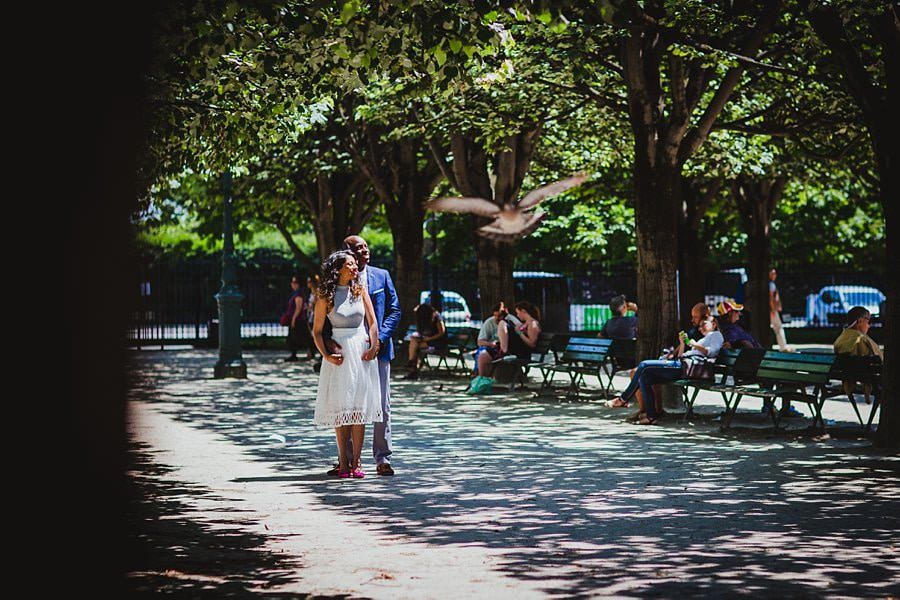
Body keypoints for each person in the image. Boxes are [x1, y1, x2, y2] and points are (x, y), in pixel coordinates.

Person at [329, 235, 401, 476]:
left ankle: (382, 458)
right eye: (358, 248)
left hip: (377, 352)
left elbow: (394, 310)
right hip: (348, 352)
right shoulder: (336, 283)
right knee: (348, 404)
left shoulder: (381, 276)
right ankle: (347, 460)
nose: (365, 251)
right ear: (347, 252)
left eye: (366, 247)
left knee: (381, 405)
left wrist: (378, 340)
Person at [312, 251, 382, 479]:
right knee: (342, 409)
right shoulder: (326, 295)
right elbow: (317, 331)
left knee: (359, 409)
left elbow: (372, 323)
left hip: (361, 353)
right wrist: (327, 355)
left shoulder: (360, 290)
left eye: (354, 264)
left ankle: (358, 462)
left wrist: (373, 346)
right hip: (340, 354)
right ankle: (343, 461)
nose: (354, 268)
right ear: (338, 269)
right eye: (350, 264)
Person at [610, 316, 724, 425]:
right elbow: (680, 356)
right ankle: (651, 416)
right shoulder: (704, 339)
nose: (700, 328)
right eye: (699, 326)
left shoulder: (716, 335)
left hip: (686, 367)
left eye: (704, 324)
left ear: (713, 324)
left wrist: (694, 344)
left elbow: (711, 352)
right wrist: (683, 343)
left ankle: (623, 399)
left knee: (644, 365)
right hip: (682, 364)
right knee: (645, 377)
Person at [833, 306, 883, 404]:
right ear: (860, 321)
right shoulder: (861, 339)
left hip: (849, 378)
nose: (869, 325)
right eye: (868, 321)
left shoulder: (840, 339)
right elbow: (880, 360)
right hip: (871, 380)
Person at [404, 303, 447, 380]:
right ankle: (412, 365)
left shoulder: (437, 316)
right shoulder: (425, 318)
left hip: (438, 341)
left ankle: (412, 365)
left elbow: (442, 333)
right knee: (414, 341)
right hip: (428, 340)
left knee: (415, 347)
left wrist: (427, 339)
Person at [282, 274, 310, 362]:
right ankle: (294, 354)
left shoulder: (298, 294)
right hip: (296, 319)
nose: (293, 284)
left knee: (301, 337)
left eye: (295, 282)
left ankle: (308, 352)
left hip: (299, 320)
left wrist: (294, 319)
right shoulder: (296, 293)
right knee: (293, 338)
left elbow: (299, 307)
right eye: (292, 282)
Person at [474, 301, 507, 376]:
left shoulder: (508, 321)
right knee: (481, 352)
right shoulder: (489, 322)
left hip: (504, 348)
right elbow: (480, 342)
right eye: (495, 315)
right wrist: (491, 344)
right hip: (493, 347)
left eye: (499, 316)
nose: (496, 318)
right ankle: (478, 375)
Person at [769, 268, 790, 352]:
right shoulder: (771, 284)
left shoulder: (770, 284)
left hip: (771, 309)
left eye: (775, 273)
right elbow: (770, 297)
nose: (775, 275)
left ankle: (783, 347)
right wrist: (773, 309)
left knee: (777, 328)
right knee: (778, 327)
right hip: (772, 310)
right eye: (773, 273)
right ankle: (783, 347)